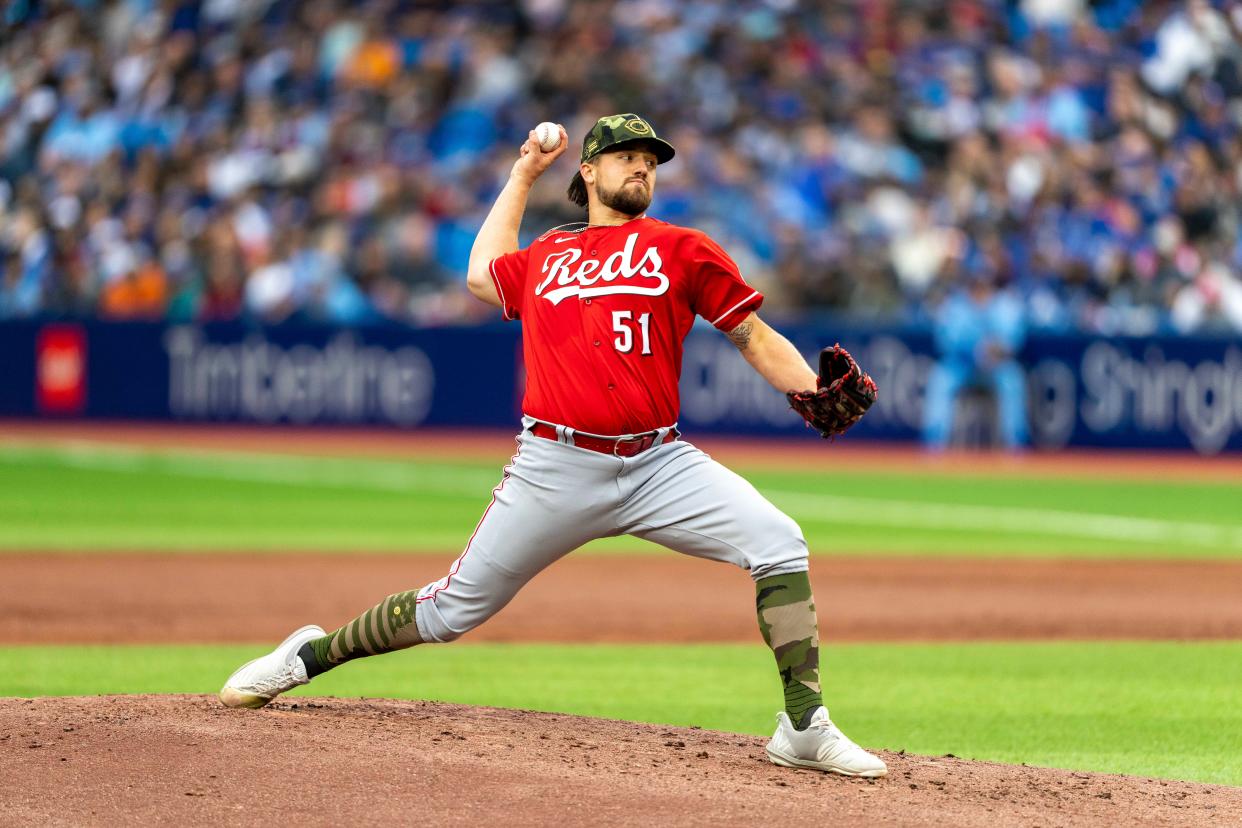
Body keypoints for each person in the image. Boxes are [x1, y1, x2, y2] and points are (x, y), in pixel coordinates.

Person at [218, 114, 887, 778]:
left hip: (659, 461)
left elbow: (754, 336)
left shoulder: (683, 248)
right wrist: (522, 173)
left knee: (779, 541)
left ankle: (804, 727)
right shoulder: (547, 255)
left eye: (651, 158)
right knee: (450, 611)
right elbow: (481, 275)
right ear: (589, 172)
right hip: (555, 464)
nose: (644, 166)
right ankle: (309, 657)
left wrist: (807, 391)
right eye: (627, 155)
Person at [922, 269, 1028, 450]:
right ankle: (933, 447)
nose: (980, 290)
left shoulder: (1004, 305)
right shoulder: (956, 306)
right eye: (976, 285)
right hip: (962, 366)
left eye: (984, 285)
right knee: (940, 378)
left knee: (1013, 380)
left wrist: (998, 348)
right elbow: (945, 340)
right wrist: (973, 349)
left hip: (997, 368)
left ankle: (1015, 448)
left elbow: (1015, 339)